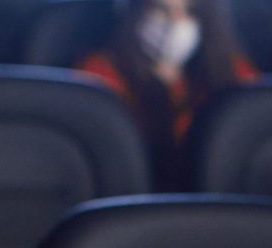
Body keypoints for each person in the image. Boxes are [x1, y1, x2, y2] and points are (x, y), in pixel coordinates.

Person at [77, 0, 259, 149]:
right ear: (133, 11)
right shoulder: (97, 75)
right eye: (161, 10)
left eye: (190, 12)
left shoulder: (234, 70)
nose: (176, 22)